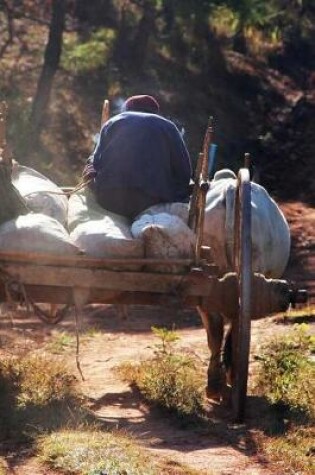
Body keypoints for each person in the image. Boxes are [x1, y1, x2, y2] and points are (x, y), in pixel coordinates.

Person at [83, 94, 192, 219]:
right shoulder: (168, 126)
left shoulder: (112, 122)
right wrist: (179, 194)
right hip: (153, 201)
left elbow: (96, 163)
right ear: (155, 111)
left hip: (110, 199)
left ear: (127, 109)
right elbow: (184, 171)